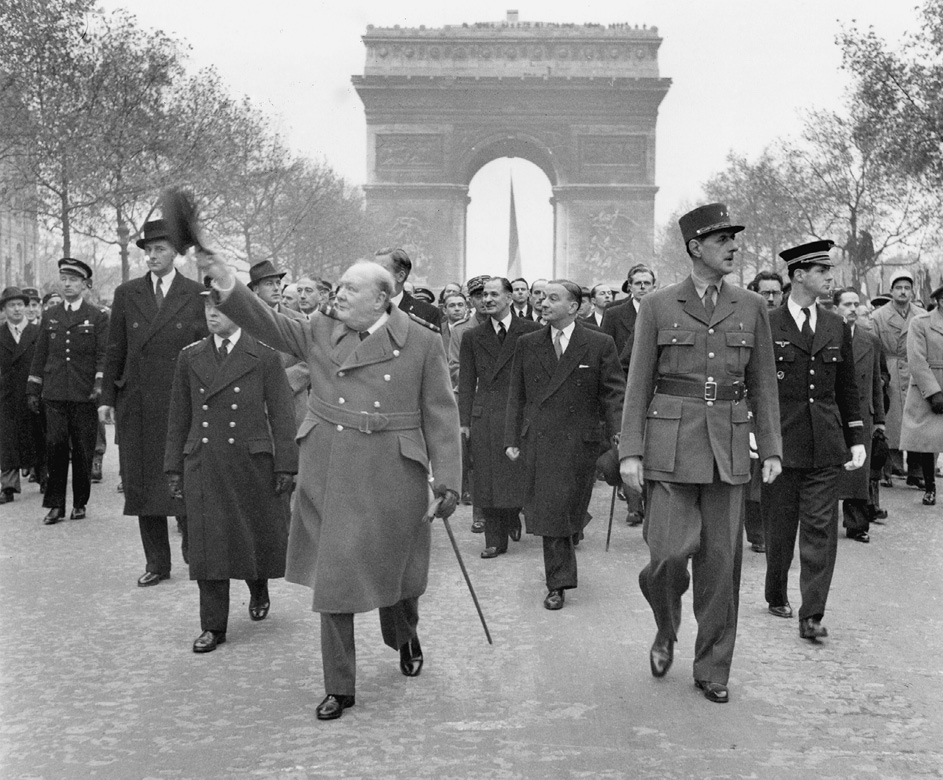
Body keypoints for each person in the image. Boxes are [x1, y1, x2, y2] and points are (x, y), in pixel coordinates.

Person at [197, 254, 461, 721]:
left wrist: (448, 483)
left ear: (381, 298)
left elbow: (441, 414)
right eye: (336, 286)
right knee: (335, 578)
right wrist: (227, 283)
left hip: (392, 470)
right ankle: (340, 686)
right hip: (330, 468)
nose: (337, 294)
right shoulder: (319, 329)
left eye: (350, 289)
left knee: (395, 573)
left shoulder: (421, 341)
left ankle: (404, 634)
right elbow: (267, 322)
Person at [619, 203, 782, 704]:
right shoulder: (659, 304)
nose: (733, 247)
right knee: (667, 555)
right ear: (694, 248)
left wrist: (772, 447)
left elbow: (762, 386)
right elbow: (638, 381)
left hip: (729, 447)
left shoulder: (751, 306)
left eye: (734, 240)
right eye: (722, 240)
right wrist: (630, 451)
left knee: (721, 564)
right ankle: (666, 626)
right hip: (669, 446)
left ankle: (713, 666)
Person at [164, 288, 297, 653]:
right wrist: (173, 468)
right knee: (208, 544)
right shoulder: (190, 357)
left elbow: (283, 414)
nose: (211, 314)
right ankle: (213, 626)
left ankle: (258, 585)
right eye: (207, 307)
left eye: (220, 307)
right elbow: (179, 416)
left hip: (250, 462)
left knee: (251, 534)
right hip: (204, 461)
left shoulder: (264, 356)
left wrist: (286, 465)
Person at [762, 241, 864, 643]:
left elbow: (847, 387)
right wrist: (757, 432)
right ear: (799, 275)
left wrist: (855, 436)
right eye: (822, 271)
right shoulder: (766, 323)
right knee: (781, 528)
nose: (829, 278)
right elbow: (756, 383)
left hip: (825, 443)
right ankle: (775, 590)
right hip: (781, 443)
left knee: (821, 529)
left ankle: (812, 614)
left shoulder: (835, 325)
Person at [99, 220, 207, 586]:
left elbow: (205, 350)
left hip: (183, 401)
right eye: (147, 250)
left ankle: (197, 554)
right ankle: (157, 563)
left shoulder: (195, 294)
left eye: (160, 249)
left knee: (187, 477)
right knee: (144, 481)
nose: (152, 256)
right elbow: (116, 348)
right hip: (139, 403)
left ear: (175, 252)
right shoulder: (127, 293)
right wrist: (107, 399)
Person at [505, 280, 624, 610]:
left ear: (574, 306)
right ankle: (557, 583)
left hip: (582, 442)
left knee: (570, 509)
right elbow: (516, 394)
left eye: (553, 298)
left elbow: (613, 394)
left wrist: (618, 434)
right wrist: (511, 437)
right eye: (542, 297)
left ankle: (571, 532)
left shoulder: (600, 344)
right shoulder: (528, 343)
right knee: (553, 509)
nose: (543, 303)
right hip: (541, 440)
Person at [459, 278, 541, 558]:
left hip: (519, 413)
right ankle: (494, 539)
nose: (488, 299)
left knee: (515, 472)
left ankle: (512, 515)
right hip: (486, 414)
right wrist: (464, 422)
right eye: (484, 295)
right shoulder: (472, 336)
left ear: (509, 298)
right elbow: (468, 381)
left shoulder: (531, 331)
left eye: (494, 294)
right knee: (487, 476)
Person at [27, 259, 109, 524]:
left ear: (85, 284)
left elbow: (102, 355)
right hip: (54, 393)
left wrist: (99, 384)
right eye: (63, 279)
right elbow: (41, 353)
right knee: (55, 447)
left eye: (73, 280)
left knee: (84, 451)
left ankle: (80, 502)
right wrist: (33, 387)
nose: (67, 284)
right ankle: (55, 505)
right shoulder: (50, 316)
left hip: (84, 394)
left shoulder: (97, 316)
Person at [603, 263, 657, 527]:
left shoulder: (661, 311)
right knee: (630, 444)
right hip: (626, 388)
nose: (643, 287)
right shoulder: (615, 314)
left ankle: (652, 502)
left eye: (647, 283)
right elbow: (610, 354)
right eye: (638, 283)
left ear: (654, 286)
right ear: (630, 285)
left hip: (657, 395)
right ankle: (635, 506)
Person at [834, 288, 886, 540]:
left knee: (858, 471)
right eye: (847, 304)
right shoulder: (826, 335)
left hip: (861, 413)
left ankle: (856, 525)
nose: (853, 309)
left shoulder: (870, 341)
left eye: (856, 304)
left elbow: (876, 382)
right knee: (829, 465)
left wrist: (880, 420)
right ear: (836, 308)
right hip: (831, 410)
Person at [741, 270, 786, 554]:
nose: (770, 298)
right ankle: (757, 532)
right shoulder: (745, 321)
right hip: (751, 406)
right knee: (752, 471)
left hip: (784, 407)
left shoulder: (788, 325)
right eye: (765, 292)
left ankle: (775, 532)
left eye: (776, 292)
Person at [248, 259, 310, 426]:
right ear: (255, 289)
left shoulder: (298, 320)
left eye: (278, 283)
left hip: (292, 405)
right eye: (269, 283)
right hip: (255, 407)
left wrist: (284, 382)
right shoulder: (245, 322)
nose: (276, 288)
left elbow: (312, 359)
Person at [871, 271, 919, 483]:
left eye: (907, 288)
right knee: (890, 421)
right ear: (891, 291)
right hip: (889, 368)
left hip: (915, 370)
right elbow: (873, 345)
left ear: (912, 291)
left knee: (918, 422)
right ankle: (888, 470)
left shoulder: (920, 314)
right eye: (898, 287)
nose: (903, 291)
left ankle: (917, 472)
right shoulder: (879, 316)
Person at [899, 283, 943, 506]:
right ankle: (930, 487)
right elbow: (916, 359)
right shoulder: (920, 323)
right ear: (939, 300)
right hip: (929, 388)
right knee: (929, 441)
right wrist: (933, 392)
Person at [0, 287, 45, 504]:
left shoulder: (37, 332)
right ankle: (8, 486)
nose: (17, 309)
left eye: (20, 305)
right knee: (7, 441)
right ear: (4, 310)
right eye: (12, 305)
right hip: (6, 397)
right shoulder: (0, 334)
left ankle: (44, 477)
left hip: (33, 393)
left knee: (39, 435)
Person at [375, 247, 442, 329]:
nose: (375, 275)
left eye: (382, 270)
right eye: (373, 270)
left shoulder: (428, 313)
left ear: (400, 276)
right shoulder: (362, 308)